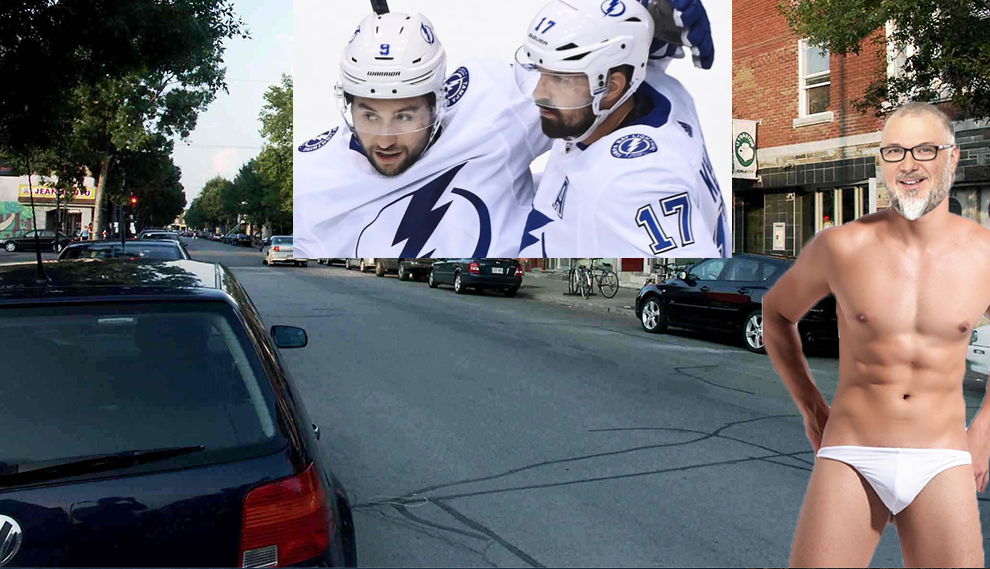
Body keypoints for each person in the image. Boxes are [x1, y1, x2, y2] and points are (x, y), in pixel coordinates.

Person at [763, 102, 988, 567]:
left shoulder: (985, 254)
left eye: (925, 149)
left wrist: (984, 431)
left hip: (942, 456)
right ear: (880, 163)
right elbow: (776, 313)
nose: (909, 164)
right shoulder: (840, 246)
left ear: (952, 157)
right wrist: (810, 406)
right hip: (853, 451)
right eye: (894, 151)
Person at [293, 10, 551, 259]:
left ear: (437, 104)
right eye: (369, 116)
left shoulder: (496, 104)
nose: (385, 140)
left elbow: (584, 89)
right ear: (348, 105)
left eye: (404, 117)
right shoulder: (313, 178)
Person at [516, 0, 727, 258]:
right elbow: (640, 65)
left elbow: (701, 277)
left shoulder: (637, 182)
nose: (540, 92)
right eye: (541, 72)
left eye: (560, 78)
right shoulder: (654, 91)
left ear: (612, 86)